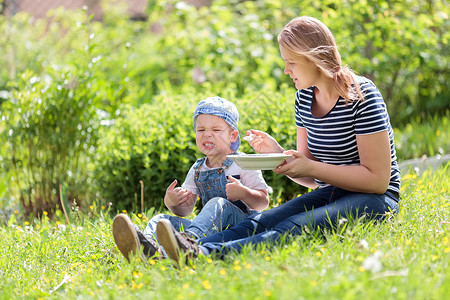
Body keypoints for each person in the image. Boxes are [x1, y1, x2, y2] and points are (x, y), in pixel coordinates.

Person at [155, 16, 401, 264]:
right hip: (331, 193)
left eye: (291, 62)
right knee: (262, 221)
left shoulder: (361, 95)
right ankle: (163, 253)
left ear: (314, 58)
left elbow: (377, 181)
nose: (286, 71)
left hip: (376, 200)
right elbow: (313, 177)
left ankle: (200, 256)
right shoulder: (304, 99)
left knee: (295, 225)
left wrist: (311, 167)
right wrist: (279, 156)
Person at [112, 96, 271, 262]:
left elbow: (263, 202)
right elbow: (185, 211)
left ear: (233, 136)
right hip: (210, 230)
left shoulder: (243, 163)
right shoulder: (198, 168)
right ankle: (145, 247)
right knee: (160, 219)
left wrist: (244, 193)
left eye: (216, 130)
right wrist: (172, 201)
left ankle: (185, 242)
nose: (207, 135)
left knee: (219, 203)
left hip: (243, 227)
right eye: (201, 130)